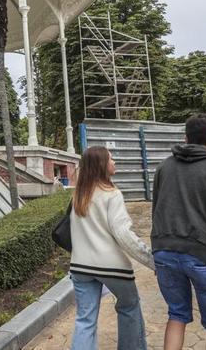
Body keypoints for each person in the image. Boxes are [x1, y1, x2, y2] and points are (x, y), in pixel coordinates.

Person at [151, 114, 206, 350]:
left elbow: (156, 208)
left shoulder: (164, 167)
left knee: (177, 315)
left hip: (165, 251)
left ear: (186, 137)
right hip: (203, 253)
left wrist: (158, 245)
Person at [70, 146, 155, 350]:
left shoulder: (78, 196)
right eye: (111, 159)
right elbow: (123, 234)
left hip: (80, 267)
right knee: (129, 307)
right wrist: (151, 260)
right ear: (102, 165)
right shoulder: (112, 194)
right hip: (111, 267)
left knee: (85, 320)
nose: (114, 162)